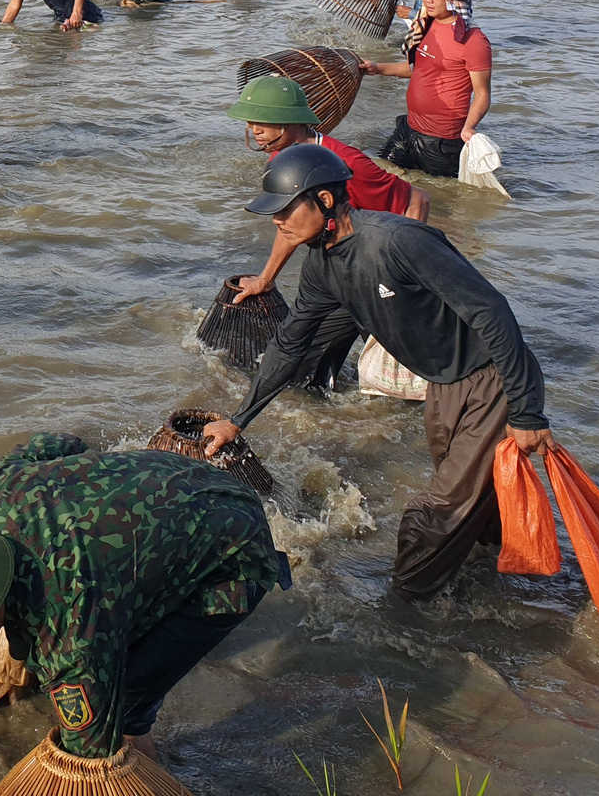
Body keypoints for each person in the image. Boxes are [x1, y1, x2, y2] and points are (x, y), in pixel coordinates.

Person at [201, 144, 552, 600]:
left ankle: (404, 612)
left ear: (324, 201)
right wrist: (237, 419)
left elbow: (491, 312)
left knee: (435, 515)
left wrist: (527, 412)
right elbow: (290, 345)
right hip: (442, 386)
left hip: (493, 379)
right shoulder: (322, 268)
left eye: (285, 209)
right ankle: (500, 589)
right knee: (475, 504)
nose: (277, 221)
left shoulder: (398, 241)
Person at [0, 433, 285, 762]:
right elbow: (63, 444)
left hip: (236, 554)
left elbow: (96, 756)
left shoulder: (70, 638)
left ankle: (152, 782)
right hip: (185, 476)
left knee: (124, 705)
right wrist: (94, 489)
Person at [224, 77, 430, 393]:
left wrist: (401, 274)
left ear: (293, 122)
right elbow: (290, 225)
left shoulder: (348, 164)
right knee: (315, 363)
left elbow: (417, 199)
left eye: (263, 121)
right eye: (251, 122)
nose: (255, 130)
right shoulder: (283, 156)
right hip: (337, 268)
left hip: (374, 266)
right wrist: (266, 279)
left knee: (400, 364)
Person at [367, 0, 490, 177]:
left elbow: (482, 94)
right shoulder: (425, 26)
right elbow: (416, 70)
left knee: (441, 200)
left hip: (442, 142)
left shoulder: (473, 41)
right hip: (408, 129)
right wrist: (377, 68)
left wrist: (468, 128)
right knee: (378, 173)